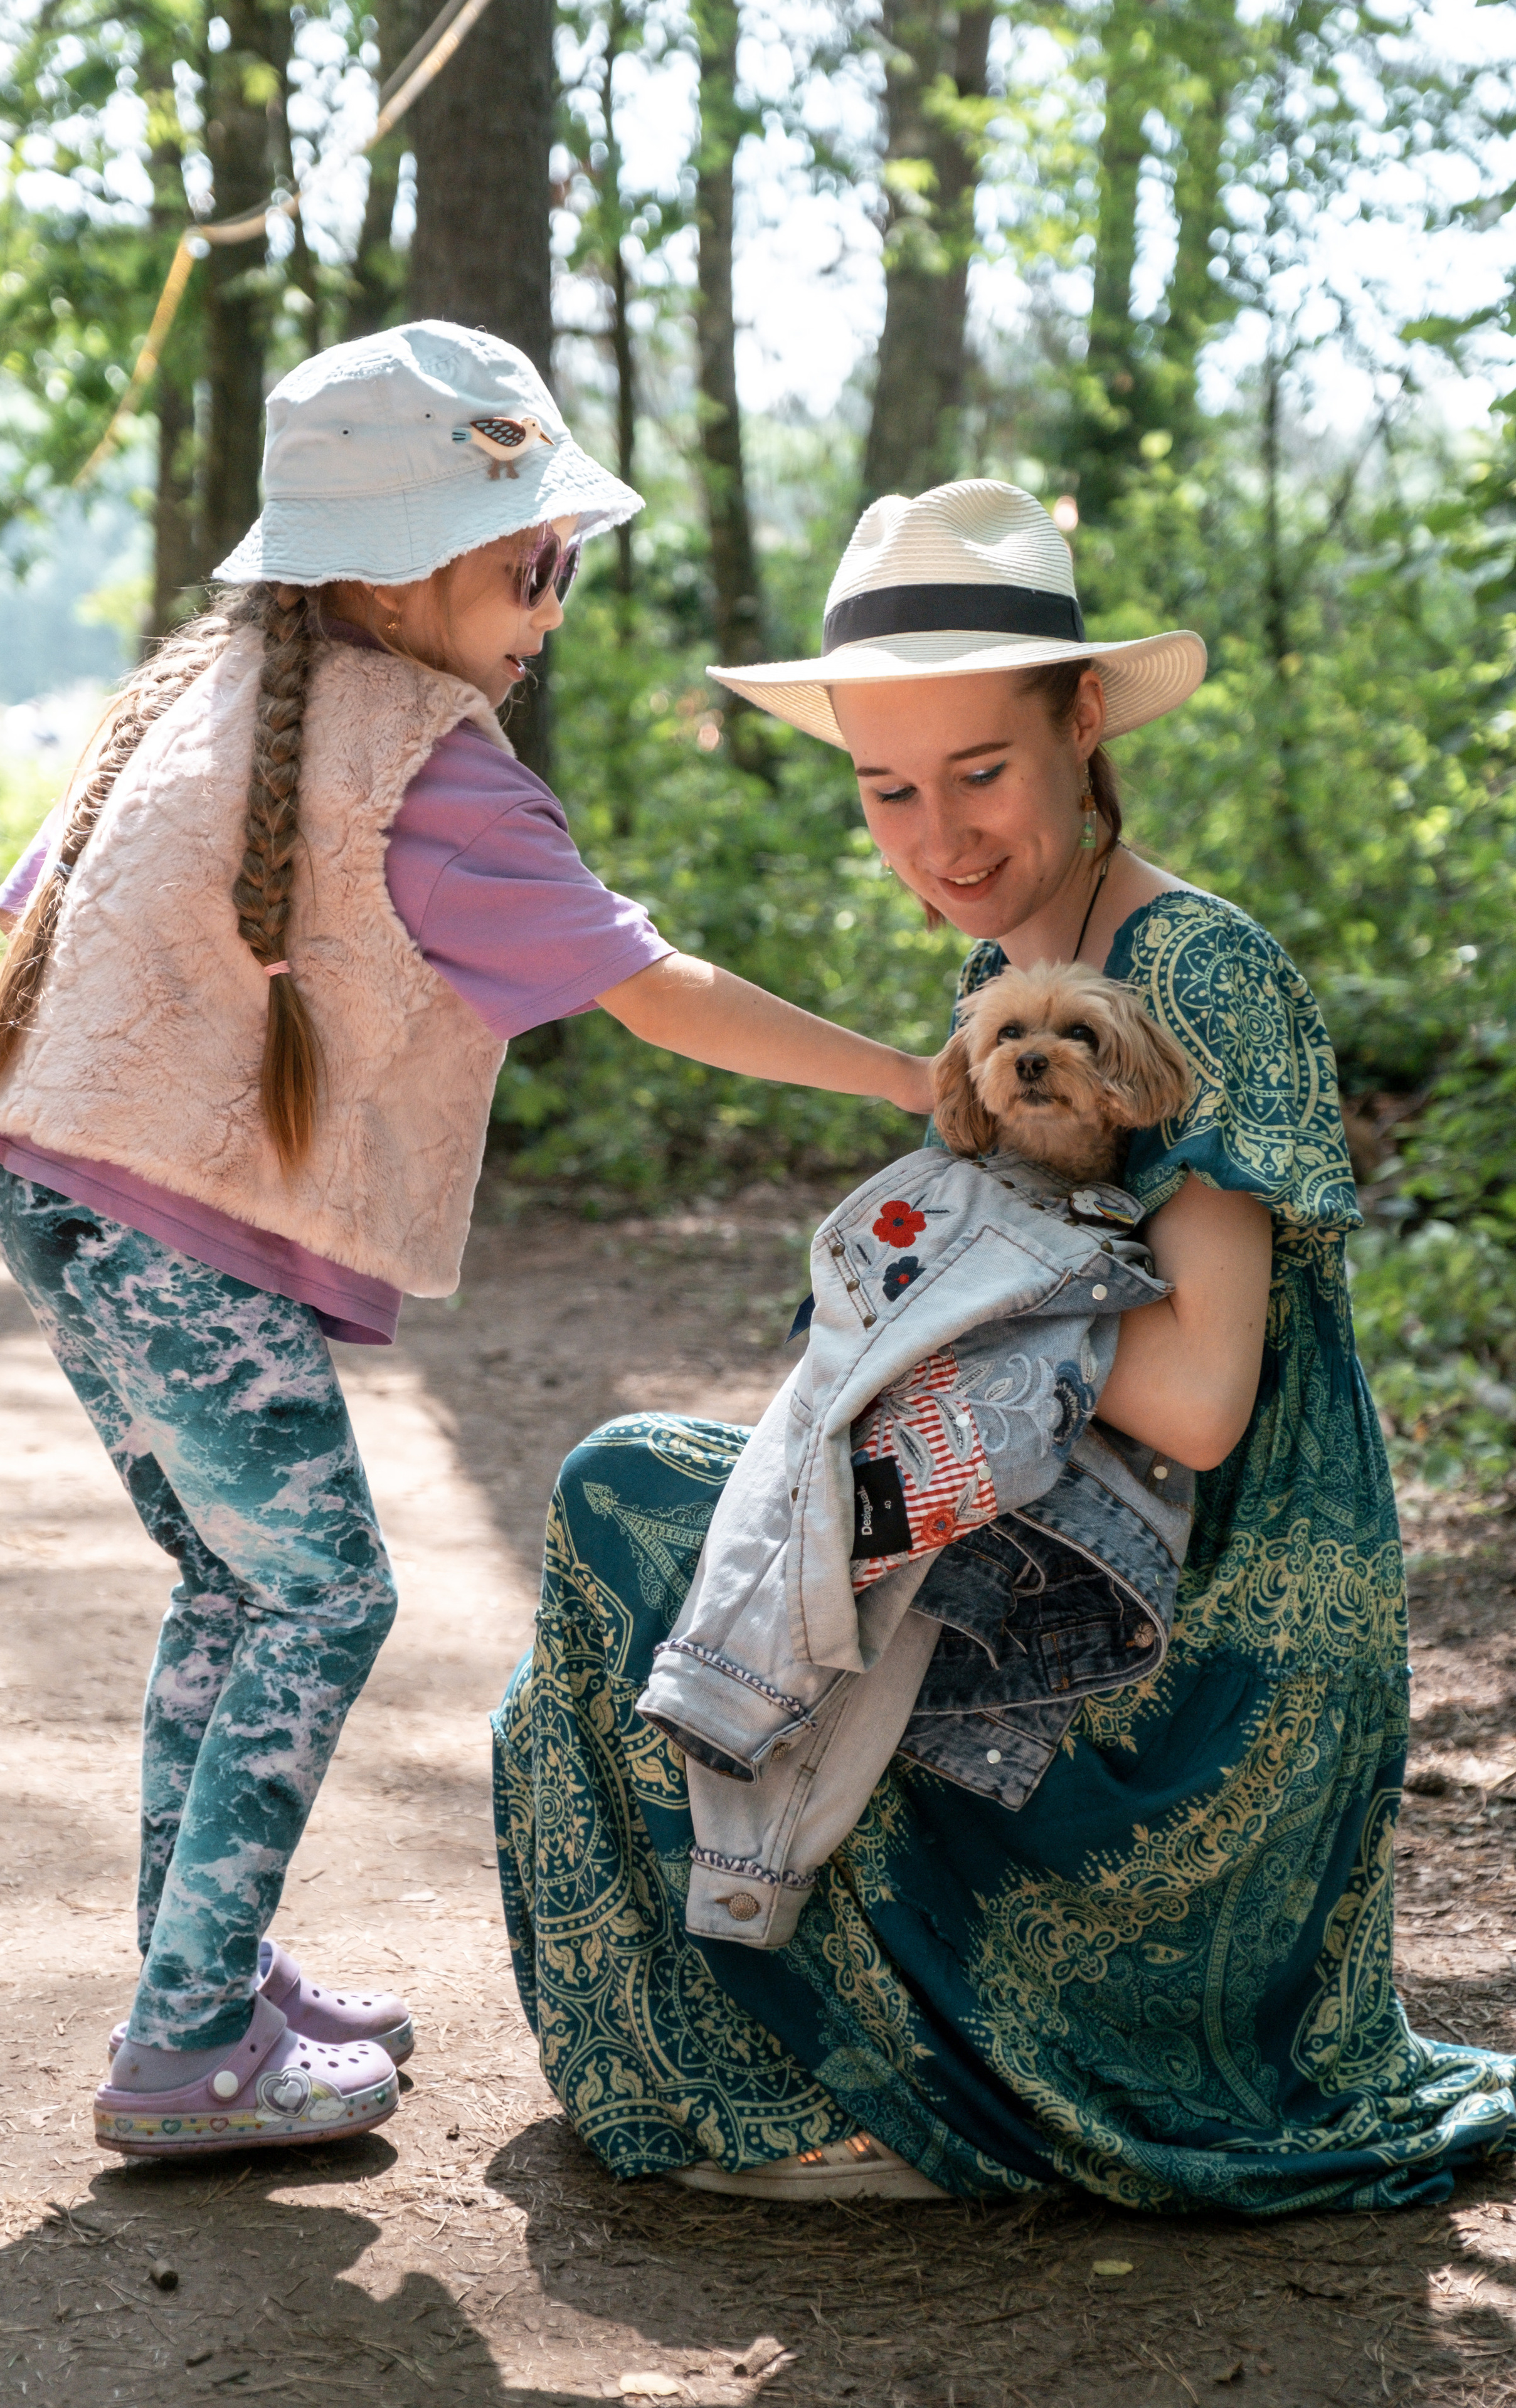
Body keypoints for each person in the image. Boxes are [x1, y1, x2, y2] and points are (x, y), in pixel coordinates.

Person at [0, 324, 933, 2161]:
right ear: (402, 570)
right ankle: (180, 2053)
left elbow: (53, 922)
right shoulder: (425, 767)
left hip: (55, 1203)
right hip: (182, 1248)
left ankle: (205, 1979)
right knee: (325, 1593)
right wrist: (910, 1079)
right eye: (532, 556)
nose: (555, 595)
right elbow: (652, 990)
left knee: (237, 1592)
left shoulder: (190, 689)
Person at [492, 478, 1516, 2209]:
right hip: (1052, 1518)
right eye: (890, 789)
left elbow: (1194, 1404)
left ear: (1086, 718)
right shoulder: (1010, 952)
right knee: (642, 1554)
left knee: (640, 1513)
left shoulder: (1195, 970)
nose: (940, 833)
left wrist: (949, 1346)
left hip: (1203, 1635)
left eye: (981, 771)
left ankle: (880, 2087)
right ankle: (778, 2064)